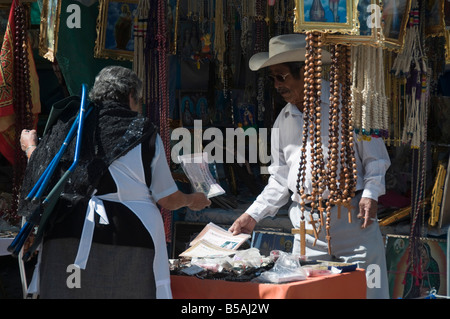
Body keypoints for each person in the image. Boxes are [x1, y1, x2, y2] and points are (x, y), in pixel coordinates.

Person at [19, 65, 211, 299]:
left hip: (67, 230)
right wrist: (192, 200)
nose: (138, 106)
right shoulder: (143, 131)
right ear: (130, 95)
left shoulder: (70, 126)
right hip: (130, 234)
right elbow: (168, 199)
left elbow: (44, 174)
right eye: (138, 100)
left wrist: (30, 147)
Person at [229, 34, 391, 299]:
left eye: (282, 77)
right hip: (307, 228)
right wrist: (253, 215)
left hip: (352, 223)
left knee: (367, 293)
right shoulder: (284, 119)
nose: (277, 85)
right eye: (273, 79)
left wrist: (371, 194)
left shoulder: (348, 105)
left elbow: (376, 157)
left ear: (307, 71)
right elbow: (280, 179)